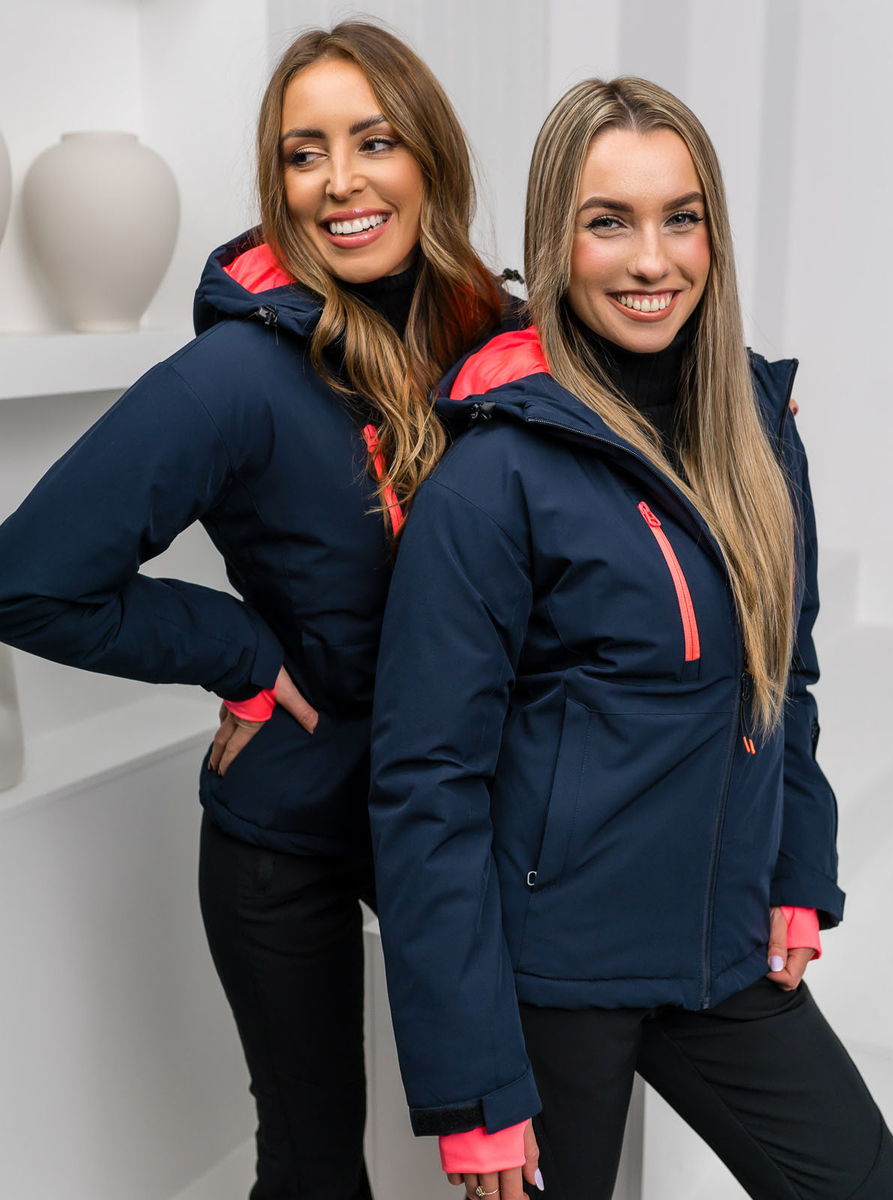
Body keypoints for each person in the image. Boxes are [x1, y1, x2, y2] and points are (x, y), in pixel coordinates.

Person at [368, 76, 893, 1200]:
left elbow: (786, 675)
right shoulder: (493, 476)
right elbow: (427, 786)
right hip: (555, 979)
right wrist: (475, 1087)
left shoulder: (757, 431)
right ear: (556, 243)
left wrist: (796, 870)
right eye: (609, 221)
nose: (652, 259)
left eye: (680, 217)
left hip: (721, 948)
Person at [0, 21, 507, 1200]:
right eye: (303, 153)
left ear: (430, 156)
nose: (340, 180)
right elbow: (27, 575)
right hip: (292, 837)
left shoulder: (489, 337)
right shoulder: (231, 379)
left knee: (538, 1126)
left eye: (373, 140)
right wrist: (237, 650)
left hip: (465, 814)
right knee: (315, 1168)